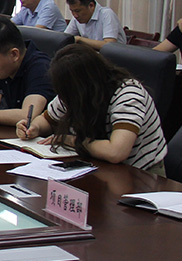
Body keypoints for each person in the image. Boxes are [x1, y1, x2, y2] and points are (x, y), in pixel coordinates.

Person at [16, 44, 167, 174]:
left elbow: (116, 152)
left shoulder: (128, 95)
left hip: (139, 174)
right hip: (96, 166)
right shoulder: (74, 91)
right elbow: (47, 120)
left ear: (85, 84)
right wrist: (34, 128)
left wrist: (71, 140)